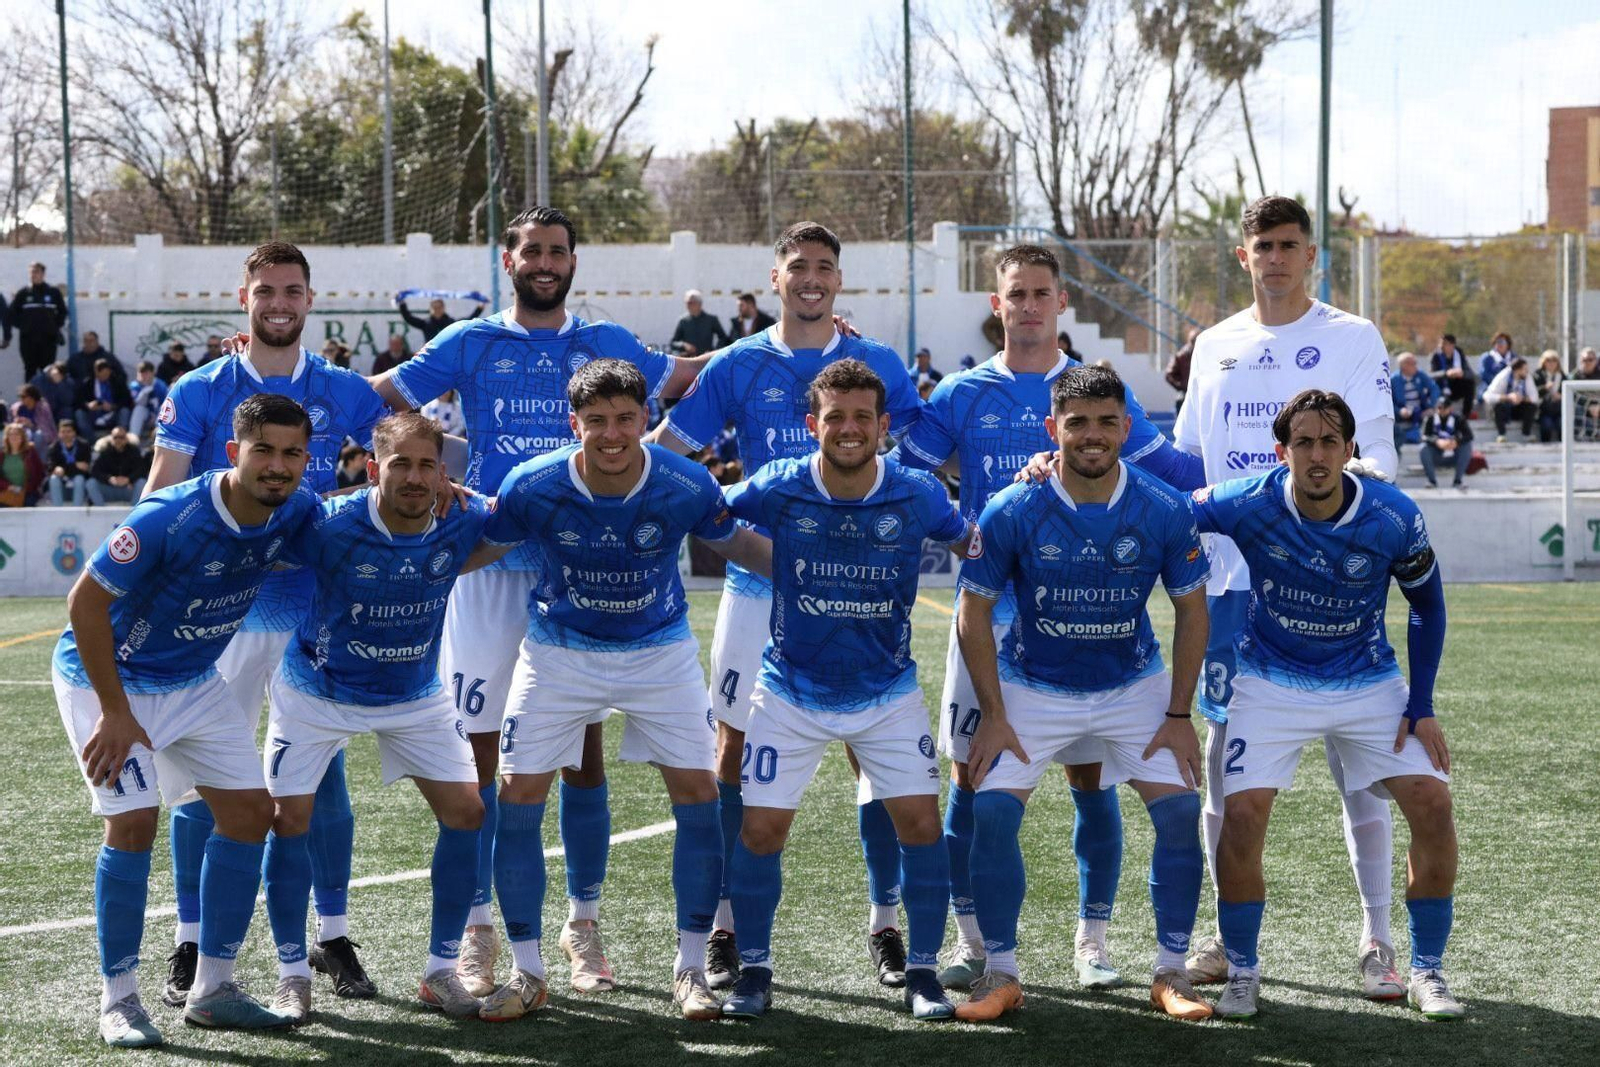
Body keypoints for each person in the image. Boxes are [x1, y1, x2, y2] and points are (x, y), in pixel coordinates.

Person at [367, 205, 709, 998]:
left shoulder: (607, 341)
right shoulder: (470, 339)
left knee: (583, 756)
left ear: (573, 260)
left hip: (578, 565)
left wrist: (799, 339)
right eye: (532, 251)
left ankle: (581, 923)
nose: (545, 262)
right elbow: (379, 400)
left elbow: (690, 377)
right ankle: (481, 927)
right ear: (508, 259)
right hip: (491, 564)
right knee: (483, 759)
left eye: (557, 250)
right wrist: (415, 461)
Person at [895, 243, 1206, 993]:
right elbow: (902, 473)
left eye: (1042, 292)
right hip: (993, 609)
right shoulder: (963, 393)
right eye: (1016, 294)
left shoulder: (1100, 393)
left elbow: (1179, 478)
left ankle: (1092, 940)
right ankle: (980, 942)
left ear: (1061, 302)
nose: (1029, 305)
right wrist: (961, 525)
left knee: (1092, 780)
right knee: (974, 784)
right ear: (996, 303)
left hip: (1096, 615)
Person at [651, 221, 926, 991]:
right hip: (758, 582)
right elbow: (672, 449)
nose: (811, 278)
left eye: (824, 267)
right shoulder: (741, 362)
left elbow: (914, 458)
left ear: (840, 280)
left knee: (872, 751)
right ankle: (729, 931)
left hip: (861, 586)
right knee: (731, 753)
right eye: (797, 266)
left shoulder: (876, 363)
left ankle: (886, 923)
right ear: (774, 278)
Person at [469, 359, 771, 1022]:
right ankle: (528, 971)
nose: (612, 433)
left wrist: (821, 574)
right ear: (573, 423)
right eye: (597, 421)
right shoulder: (534, 484)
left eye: (625, 418)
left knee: (697, 793)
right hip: (557, 653)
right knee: (518, 796)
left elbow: (744, 546)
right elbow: (473, 551)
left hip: (658, 652)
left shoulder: (685, 482)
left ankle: (690, 968)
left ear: (644, 420)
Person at [145, 241, 391, 1008]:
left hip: (315, 613)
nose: (278, 302)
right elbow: (160, 491)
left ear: (310, 300)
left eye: (292, 290)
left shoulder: (345, 390)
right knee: (197, 786)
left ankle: (332, 932)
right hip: (215, 615)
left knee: (326, 784)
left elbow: (405, 455)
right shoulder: (196, 389)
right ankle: (191, 937)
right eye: (265, 290)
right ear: (244, 297)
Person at [1169, 195, 1403, 998]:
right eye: (1261, 245)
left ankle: (1378, 937)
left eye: (1288, 245)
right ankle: (1227, 939)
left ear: (1313, 256)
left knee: (1359, 767)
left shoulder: (1351, 338)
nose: (1274, 257)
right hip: (1230, 589)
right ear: (1243, 256)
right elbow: (1187, 462)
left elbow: (1379, 462)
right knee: (1222, 767)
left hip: (1332, 584)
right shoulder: (1217, 344)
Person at [51, 393, 319, 1047]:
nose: (277, 466)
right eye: (264, 450)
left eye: (291, 453)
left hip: (194, 680)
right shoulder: (170, 516)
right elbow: (83, 603)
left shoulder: (299, 511)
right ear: (235, 452)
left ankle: (213, 989)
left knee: (251, 814)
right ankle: (118, 1000)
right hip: (105, 679)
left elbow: (357, 532)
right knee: (135, 818)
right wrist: (114, 711)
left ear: (306, 459)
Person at [1190, 389, 1462, 1022]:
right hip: (1269, 680)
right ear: (1281, 451)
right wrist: (1055, 467)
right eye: (1304, 442)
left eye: (1330, 441)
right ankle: (1244, 968)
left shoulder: (1393, 515)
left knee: (1433, 801)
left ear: (1349, 448)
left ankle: (1426, 968)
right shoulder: (1249, 500)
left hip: (1367, 680)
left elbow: (1428, 606)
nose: (1317, 454)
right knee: (1242, 813)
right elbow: (1167, 512)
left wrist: (1420, 704)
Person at [954, 365, 1212, 1023]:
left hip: (1133, 685)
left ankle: (1170, 970)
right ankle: (1001, 973)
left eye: (1106, 422)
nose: (1092, 436)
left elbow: (1193, 611)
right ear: (1053, 429)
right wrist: (993, 711)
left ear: (1127, 426)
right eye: (1077, 423)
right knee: (992, 812)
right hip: (1033, 687)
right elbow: (972, 612)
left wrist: (1179, 713)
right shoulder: (1013, 507)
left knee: (1181, 813)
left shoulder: (1162, 508)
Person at [718, 359, 972, 1022]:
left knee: (920, 823)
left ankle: (922, 972)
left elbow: (970, 538)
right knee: (762, 827)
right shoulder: (778, 485)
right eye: (836, 416)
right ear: (813, 424)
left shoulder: (916, 493)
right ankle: (756, 968)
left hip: (886, 690)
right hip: (791, 688)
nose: (850, 428)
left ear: (885, 425)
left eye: (863, 417)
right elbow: (705, 511)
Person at [260, 413, 494, 1024]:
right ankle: (291, 974)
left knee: (468, 810)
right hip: (316, 691)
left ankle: (442, 968)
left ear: (444, 474)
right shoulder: (326, 525)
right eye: (400, 465)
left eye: (426, 466)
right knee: (288, 819)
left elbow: (523, 517)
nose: (414, 478)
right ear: (373, 469)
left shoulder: (465, 517)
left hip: (414, 694)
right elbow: (253, 529)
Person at [12, 261, 68, 380]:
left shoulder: (53, 292)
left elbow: (62, 312)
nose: (33, 275)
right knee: (29, 371)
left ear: (43, 274)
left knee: (48, 371)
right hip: (28, 340)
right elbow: (12, 314)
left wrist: (54, 326)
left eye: (36, 272)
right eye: (31, 272)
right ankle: (29, 397)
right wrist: (24, 326)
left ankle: (47, 398)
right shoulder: (23, 293)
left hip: (48, 340)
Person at [1419, 394, 1472, 490]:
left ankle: (1457, 481)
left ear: (1450, 408)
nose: (1442, 410)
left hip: (1454, 455)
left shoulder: (1458, 418)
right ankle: (1432, 481)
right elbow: (1424, 436)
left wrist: (1456, 442)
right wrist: (1437, 441)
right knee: (1423, 448)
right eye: (1439, 408)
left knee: (1467, 446)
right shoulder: (1430, 419)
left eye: (1444, 408)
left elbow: (1469, 436)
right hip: (1436, 455)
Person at [1391, 352, 1439, 454]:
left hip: (1421, 412)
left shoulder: (1420, 375)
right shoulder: (1393, 380)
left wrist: (1431, 407)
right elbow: (1388, 402)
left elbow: (1434, 388)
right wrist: (1400, 411)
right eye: (1413, 363)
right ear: (1404, 365)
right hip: (1403, 415)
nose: (1416, 366)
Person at [89, 425, 148, 505]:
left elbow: (142, 470)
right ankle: (101, 512)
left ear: (126, 438)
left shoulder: (134, 451)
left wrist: (129, 479)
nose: (118, 440)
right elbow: (95, 471)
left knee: (142, 482)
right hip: (110, 489)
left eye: (121, 437)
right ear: (111, 438)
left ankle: (134, 512)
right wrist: (109, 478)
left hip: (128, 489)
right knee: (91, 483)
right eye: (115, 437)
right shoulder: (105, 451)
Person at [1484, 356, 1538, 441]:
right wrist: (1508, 397)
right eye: (1524, 369)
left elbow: (1535, 397)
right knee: (1497, 407)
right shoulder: (1503, 376)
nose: (1527, 371)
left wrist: (1521, 398)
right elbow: (1487, 396)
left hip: (1517, 409)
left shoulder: (1527, 377)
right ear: (1517, 370)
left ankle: (1526, 434)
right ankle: (1501, 435)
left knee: (1531, 407)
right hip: (1504, 409)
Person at [77, 358, 132, 439]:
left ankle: (120, 437)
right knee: (79, 413)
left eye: (107, 373)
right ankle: (90, 441)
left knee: (125, 411)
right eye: (102, 374)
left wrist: (113, 406)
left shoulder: (117, 382)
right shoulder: (88, 383)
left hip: (112, 413)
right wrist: (88, 405)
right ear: (96, 372)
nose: (105, 376)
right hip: (94, 413)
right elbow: (78, 400)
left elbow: (127, 401)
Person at [46, 418, 93, 506]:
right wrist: (75, 466)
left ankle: (77, 510)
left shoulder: (84, 445)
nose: (65, 434)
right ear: (59, 433)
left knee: (79, 478)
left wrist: (64, 467)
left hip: (79, 483)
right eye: (62, 432)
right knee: (54, 479)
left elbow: (85, 468)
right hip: (62, 483)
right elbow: (50, 467)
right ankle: (58, 510)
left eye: (68, 431)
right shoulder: (53, 448)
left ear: (74, 432)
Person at [399, 295, 483, 343]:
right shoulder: (426, 324)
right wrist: (402, 303)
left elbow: (468, 321)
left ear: (443, 308)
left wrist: (480, 308)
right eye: (434, 307)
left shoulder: (451, 323)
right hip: (431, 356)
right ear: (430, 309)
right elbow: (408, 318)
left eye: (439, 307)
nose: (437, 309)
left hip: (448, 356)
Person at [670, 289, 731, 356]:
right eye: (686, 303)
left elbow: (723, 338)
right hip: (689, 361)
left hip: (707, 360)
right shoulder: (683, 321)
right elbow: (673, 343)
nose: (687, 305)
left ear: (699, 304)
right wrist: (684, 345)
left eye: (690, 303)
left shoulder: (711, 320)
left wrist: (714, 352)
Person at [0, 421, 46, 506]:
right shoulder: (1, 455)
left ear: (22, 437)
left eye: (17, 434)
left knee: (27, 505)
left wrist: (27, 489)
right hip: (6, 491)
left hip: (28, 492)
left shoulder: (31, 452)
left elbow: (40, 472)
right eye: (11, 434)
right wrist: (9, 487)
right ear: (7, 437)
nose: (14, 437)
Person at [1429, 334, 1475, 416]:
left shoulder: (1459, 355)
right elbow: (1431, 375)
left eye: (1445, 344)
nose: (1442, 346)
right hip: (1441, 386)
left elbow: (1470, 373)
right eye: (1441, 344)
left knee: (1469, 383)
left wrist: (1461, 373)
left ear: (1452, 345)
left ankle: (1466, 415)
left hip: (1456, 386)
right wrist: (1446, 373)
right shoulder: (1435, 356)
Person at [127, 362, 170, 443]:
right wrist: (144, 391)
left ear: (152, 373)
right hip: (145, 415)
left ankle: (158, 436)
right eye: (141, 373)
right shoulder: (135, 385)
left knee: (163, 408)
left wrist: (155, 415)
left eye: (146, 373)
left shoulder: (160, 385)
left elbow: (167, 404)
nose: (143, 376)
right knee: (139, 409)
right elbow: (136, 403)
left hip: (157, 415)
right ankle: (133, 438)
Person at [12, 382, 57, 449]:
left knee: (38, 435)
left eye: (23, 397)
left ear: (32, 397)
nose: (21, 399)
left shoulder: (42, 408)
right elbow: (10, 425)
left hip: (37, 435)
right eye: (19, 396)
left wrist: (32, 425)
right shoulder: (17, 408)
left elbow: (46, 429)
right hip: (21, 432)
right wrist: (16, 423)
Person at [1533, 350, 1565, 443]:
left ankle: (1563, 447)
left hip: (1559, 410)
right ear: (1543, 361)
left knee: (1562, 424)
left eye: (1554, 360)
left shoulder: (1562, 375)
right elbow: (1533, 392)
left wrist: (1560, 396)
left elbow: (1568, 392)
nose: (1551, 363)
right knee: (1547, 425)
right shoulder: (1537, 375)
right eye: (1548, 360)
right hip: (1544, 411)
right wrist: (1545, 388)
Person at [35, 361, 80, 427]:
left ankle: (65, 433)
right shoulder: (39, 380)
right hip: (44, 409)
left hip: (59, 411)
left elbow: (68, 401)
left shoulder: (68, 381)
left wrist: (60, 384)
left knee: (67, 411)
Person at [1476, 332, 1514, 407]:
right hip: (1489, 387)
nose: (1499, 344)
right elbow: (1483, 374)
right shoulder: (1486, 357)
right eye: (1497, 342)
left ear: (1508, 344)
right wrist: (1499, 383)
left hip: (1509, 389)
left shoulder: (1514, 358)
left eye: (1502, 342)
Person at [1166, 326, 1198, 414]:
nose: (1195, 343)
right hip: (1186, 395)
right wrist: (1182, 386)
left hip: (1201, 394)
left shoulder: (1205, 354)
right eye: (1193, 340)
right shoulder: (1182, 355)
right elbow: (1169, 374)